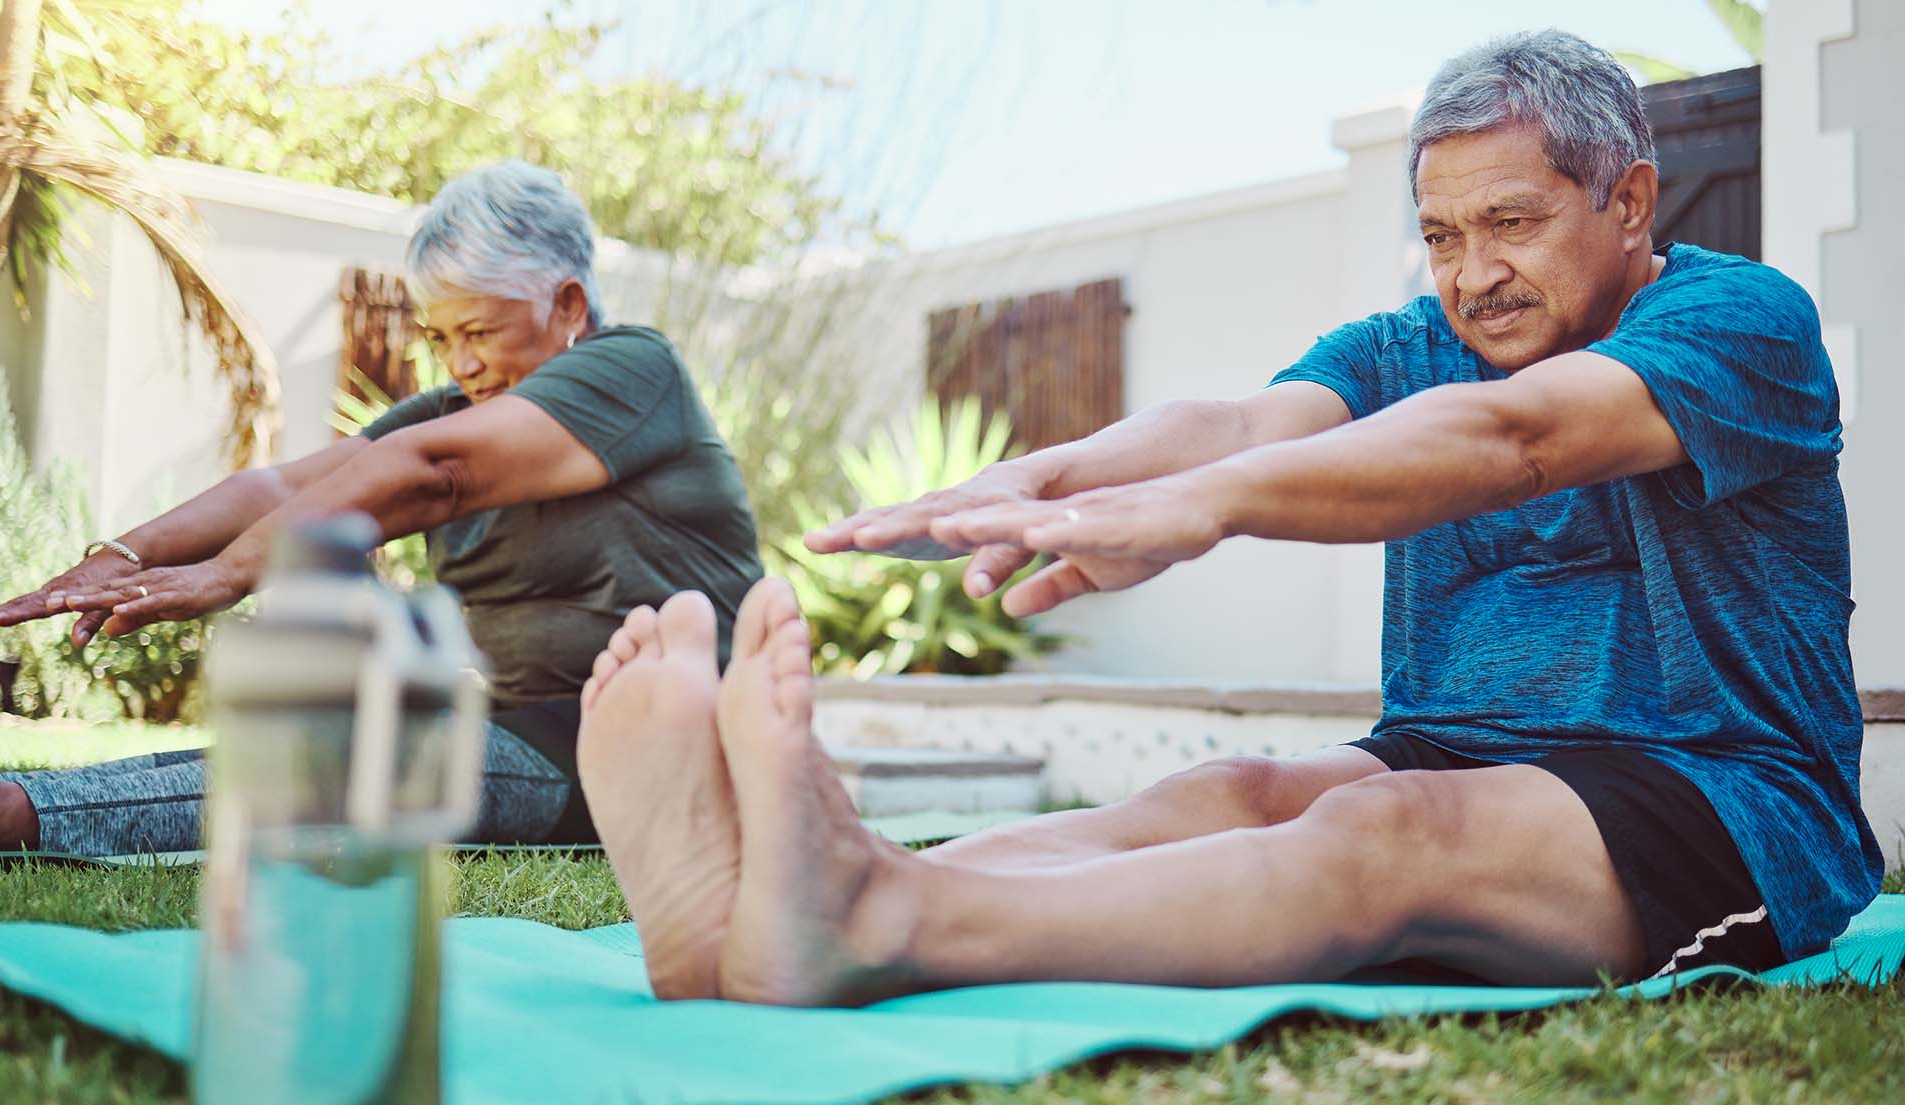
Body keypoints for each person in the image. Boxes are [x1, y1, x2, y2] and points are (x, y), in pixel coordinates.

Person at [572, 30, 1882, 1005]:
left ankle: (877, 918)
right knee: (1231, 788)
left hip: (1724, 797)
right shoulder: (1411, 342)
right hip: (1448, 743)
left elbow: (1517, 439)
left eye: (1511, 223)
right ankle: (777, 886)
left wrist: (1196, 515)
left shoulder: (1737, 321)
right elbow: (1245, 424)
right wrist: (1056, 476)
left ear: (1631, 202)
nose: (1472, 272)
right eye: (1440, 235)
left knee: (1379, 835)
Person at [0, 160, 763, 854]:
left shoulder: (634, 372)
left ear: (568, 305)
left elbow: (435, 474)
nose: (459, 363)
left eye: (482, 331)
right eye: (441, 336)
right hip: (535, 734)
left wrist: (230, 572)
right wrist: (126, 555)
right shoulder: (453, 414)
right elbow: (282, 486)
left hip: (665, 741)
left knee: (347, 759)